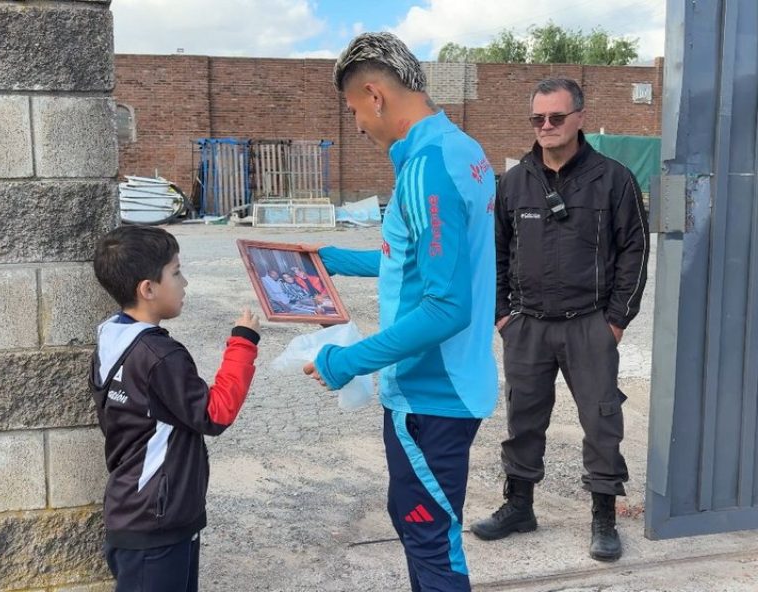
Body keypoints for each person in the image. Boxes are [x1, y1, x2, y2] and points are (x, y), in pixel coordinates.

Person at [303, 32, 498, 592]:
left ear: (375, 94)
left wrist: (347, 362)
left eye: (354, 110)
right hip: (449, 389)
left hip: (430, 396)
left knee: (430, 541)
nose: (358, 125)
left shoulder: (425, 168)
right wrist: (335, 260)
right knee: (424, 529)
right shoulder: (460, 148)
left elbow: (446, 306)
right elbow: (419, 256)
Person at [470, 77, 649, 562]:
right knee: (522, 418)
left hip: (589, 324)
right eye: (537, 119)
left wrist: (616, 320)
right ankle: (519, 506)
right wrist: (502, 314)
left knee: (601, 420)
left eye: (556, 117)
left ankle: (604, 517)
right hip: (527, 326)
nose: (546, 127)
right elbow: (494, 251)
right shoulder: (513, 182)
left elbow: (635, 248)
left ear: (579, 119)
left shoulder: (613, 179)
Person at [89, 224, 261, 592]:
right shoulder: (159, 356)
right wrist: (243, 343)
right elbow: (215, 413)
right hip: (157, 523)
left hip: (138, 513)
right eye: (176, 272)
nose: (185, 283)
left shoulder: (111, 339)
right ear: (147, 289)